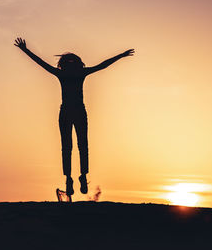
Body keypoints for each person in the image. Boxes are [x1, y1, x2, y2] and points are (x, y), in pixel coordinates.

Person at [14, 37, 134, 195]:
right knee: (75, 147)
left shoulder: (67, 73)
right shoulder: (74, 73)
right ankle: (73, 179)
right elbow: (102, 65)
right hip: (73, 111)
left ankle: (78, 178)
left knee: (74, 147)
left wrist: (121, 56)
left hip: (73, 111)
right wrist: (25, 50)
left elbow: (102, 65)